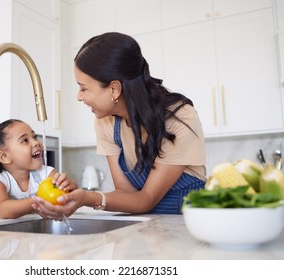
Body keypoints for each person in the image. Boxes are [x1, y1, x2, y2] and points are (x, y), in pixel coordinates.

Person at [33, 32, 206, 219]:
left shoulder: (179, 118)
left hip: (184, 229)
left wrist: (88, 198)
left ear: (114, 89)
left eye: (83, 88)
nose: (79, 96)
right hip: (141, 228)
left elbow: (146, 199)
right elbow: (126, 194)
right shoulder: (105, 122)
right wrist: (80, 195)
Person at [0, 119, 77, 219]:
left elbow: (70, 195)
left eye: (34, 137)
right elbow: (3, 210)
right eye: (25, 140)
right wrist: (39, 199)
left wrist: (71, 186)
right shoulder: (0, 180)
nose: (36, 142)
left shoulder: (45, 173)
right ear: (4, 157)